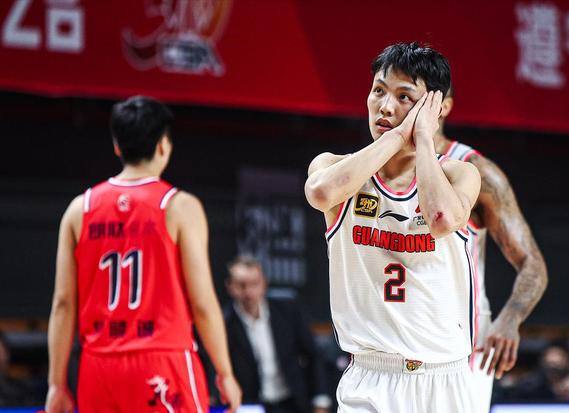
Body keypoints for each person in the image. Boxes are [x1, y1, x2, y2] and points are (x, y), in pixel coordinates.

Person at [305, 42, 482, 412]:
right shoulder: (333, 166)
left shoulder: (459, 174)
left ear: (433, 108)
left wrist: (422, 138)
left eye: (404, 97)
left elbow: (442, 219)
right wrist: (397, 136)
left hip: (443, 378)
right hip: (371, 376)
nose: (385, 106)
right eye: (378, 91)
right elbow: (320, 193)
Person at [45, 96, 242, 413]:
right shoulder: (179, 206)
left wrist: (56, 383)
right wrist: (225, 372)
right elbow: (203, 303)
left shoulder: (79, 209)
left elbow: (63, 303)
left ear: (117, 146)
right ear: (163, 145)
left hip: (99, 366)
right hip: (163, 361)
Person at [434, 88, 548, 412]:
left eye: (407, 96)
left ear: (442, 106)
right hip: (395, 341)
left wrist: (511, 318)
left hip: (460, 342)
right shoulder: (373, 167)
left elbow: (532, 264)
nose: (392, 106)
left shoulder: (477, 172)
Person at [224, 255, 331, 413]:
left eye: (254, 284)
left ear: (264, 283)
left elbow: (313, 354)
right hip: (251, 405)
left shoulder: (287, 309)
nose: (248, 292)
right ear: (230, 287)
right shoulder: (225, 324)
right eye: (241, 285)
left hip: (293, 401)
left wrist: (321, 400)